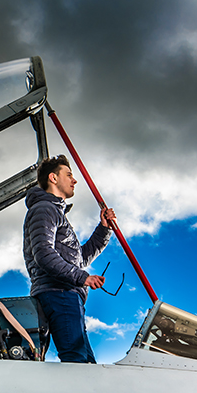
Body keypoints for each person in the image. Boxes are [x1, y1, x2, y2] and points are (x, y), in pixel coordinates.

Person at [23, 155, 114, 363]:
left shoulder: (55, 212)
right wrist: (83, 278)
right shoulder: (44, 209)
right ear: (53, 178)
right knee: (77, 361)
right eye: (69, 175)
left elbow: (79, 258)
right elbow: (44, 255)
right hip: (59, 293)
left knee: (86, 362)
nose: (74, 180)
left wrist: (104, 229)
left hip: (68, 294)